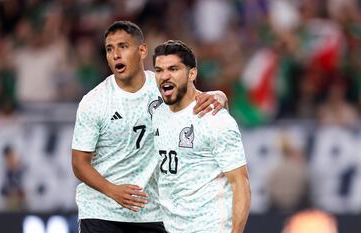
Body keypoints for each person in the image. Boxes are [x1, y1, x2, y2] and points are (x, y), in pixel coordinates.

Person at [71, 21, 228, 233]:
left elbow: (202, 100)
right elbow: (79, 163)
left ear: (142, 50)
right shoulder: (95, 102)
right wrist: (112, 191)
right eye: (109, 49)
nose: (115, 54)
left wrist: (220, 95)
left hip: (152, 211)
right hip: (102, 210)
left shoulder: (163, 87)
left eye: (123, 46)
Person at [152, 40, 251, 233]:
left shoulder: (213, 117)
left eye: (173, 69)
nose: (165, 76)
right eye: (159, 70)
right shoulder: (156, 113)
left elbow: (241, 183)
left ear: (192, 73)